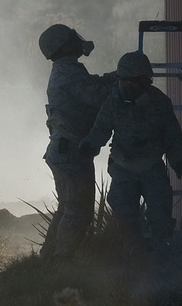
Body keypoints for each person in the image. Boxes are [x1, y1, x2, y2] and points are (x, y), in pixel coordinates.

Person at [78, 50, 182, 251]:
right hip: (123, 167)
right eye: (123, 80)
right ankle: (134, 258)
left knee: (161, 218)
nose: (127, 86)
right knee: (124, 215)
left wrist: (179, 162)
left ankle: (160, 260)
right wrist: (89, 145)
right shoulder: (112, 102)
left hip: (151, 166)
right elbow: (101, 129)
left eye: (133, 82)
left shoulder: (160, 103)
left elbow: (173, 136)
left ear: (145, 82)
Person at [37, 23, 116, 259]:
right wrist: (124, 84)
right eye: (71, 38)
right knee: (78, 212)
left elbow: (93, 84)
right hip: (71, 150)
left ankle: (48, 261)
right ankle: (61, 263)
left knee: (68, 208)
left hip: (64, 149)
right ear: (64, 45)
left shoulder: (66, 70)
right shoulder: (69, 72)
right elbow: (97, 96)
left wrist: (115, 76)